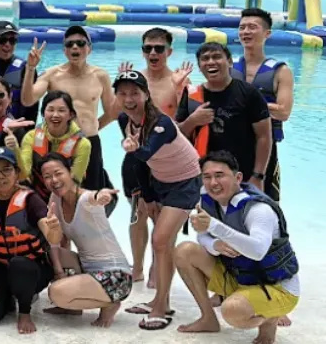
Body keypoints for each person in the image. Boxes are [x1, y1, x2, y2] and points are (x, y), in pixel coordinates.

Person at [174, 151, 299, 344]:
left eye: (219, 175)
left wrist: (215, 227)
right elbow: (202, 236)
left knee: (232, 311)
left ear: (238, 177)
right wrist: (215, 244)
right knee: (184, 251)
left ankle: (271, 317)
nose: (213, 183)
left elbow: (258, 251)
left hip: (277, 287)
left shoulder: (259, 210)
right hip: (240, 278)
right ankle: (208, 319)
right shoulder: (208, 201)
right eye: (207, 177)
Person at [116, 69, 200, 329]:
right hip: (159, 181)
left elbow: (146, 152)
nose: (129, 99)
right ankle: (158, 301)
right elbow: (141, 164)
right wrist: (149, 196)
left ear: (146, 95)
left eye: (135, 93)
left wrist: (135, 150)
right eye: (123, 93)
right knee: (163, 242)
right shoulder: (125, 119)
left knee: (161, 241)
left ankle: (162, 305)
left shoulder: (161, 123)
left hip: (185, 183)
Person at [118, 27, 192, 288]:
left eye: (159, 48)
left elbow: (184, 128)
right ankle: (136, 267)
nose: (153, 53)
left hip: (166, 164)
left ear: (169, 52)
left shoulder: (178, 82)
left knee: (161, 218)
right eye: (147, 48)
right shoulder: (132, 84)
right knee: (137, 213)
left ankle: (156, 268)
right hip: (138, 161)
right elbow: (123, 120)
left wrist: (182, 93)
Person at [21, 26, 116, 199]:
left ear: (89, 48)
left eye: (80, 43)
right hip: (58, 144)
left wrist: (90, 130)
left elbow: (111, 112)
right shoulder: (52, 74)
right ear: (64, 50)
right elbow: (28, 100)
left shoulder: (100, 75)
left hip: (90, 142)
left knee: (91, 196)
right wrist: (30, 69)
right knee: (56, 195)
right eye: (70, 44)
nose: (75, 48)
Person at [39, 154, 132, 328]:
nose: (54, 180)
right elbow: (57, 242)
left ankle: (110, 303)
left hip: (116, 276)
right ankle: (72, 307)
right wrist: (59, 272)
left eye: (58, 173)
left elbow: (95, 197)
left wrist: (102, 196)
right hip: (87, 269)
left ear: (70, 172)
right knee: (46, 253)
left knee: (56, 292)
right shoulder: (55, 200)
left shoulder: (86, 199)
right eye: (47, 177)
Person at [0, 146, 53, 334]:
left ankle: (24, 309)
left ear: (17, 173)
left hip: (31, 267)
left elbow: (50, 234)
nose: (1, 176)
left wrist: (54, 230)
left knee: (19, 265)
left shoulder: (31, 200)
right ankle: (7, 296)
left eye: (7, 169)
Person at [176, 42, 272, 193]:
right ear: (200, 66)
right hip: (204, 177)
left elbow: (264, 136)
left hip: (242, 176)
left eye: (216, 57)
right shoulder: (192, 96)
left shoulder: (248, 93)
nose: (211, 62)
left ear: (229, 62)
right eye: (205, 58)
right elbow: (178, 136)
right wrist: (192, 121)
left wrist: (258, 176)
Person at [232, 8, 291, 200]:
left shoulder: (280, 71)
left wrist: (247, 103)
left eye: (252, 27)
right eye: (242, 28)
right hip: (231, 145)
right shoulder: (228, 67)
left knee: (266, 203)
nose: (246, 32)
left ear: (267, 34)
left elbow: (283, 112)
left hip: (265, 149)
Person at [17, 90, 94, 200]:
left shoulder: (82, 144)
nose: (55, 115)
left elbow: (75, 180)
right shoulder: (31, 137)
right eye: (50, 110)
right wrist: (14, 147)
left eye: (61, 110)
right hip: (35, 195)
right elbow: (23, 175)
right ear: (43, 113)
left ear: (71, 115)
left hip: (67, 195)